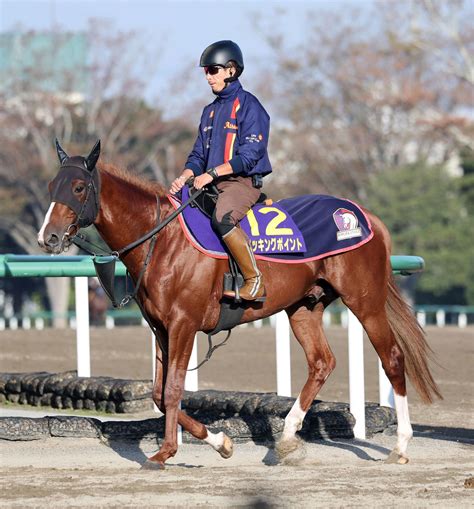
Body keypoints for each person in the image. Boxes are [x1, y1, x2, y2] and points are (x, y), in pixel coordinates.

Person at [170, 40, 272, 301]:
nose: (207, 77)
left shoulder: (250, 106)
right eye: (205, 71)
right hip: (209, 184)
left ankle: (254, 280)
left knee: (223, 219)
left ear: (231, 70)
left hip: (241, 184)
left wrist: (212, 174)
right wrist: (183, 177)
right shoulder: (209, 112)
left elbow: (250, 156)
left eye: (212, 70)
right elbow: (197, 156)